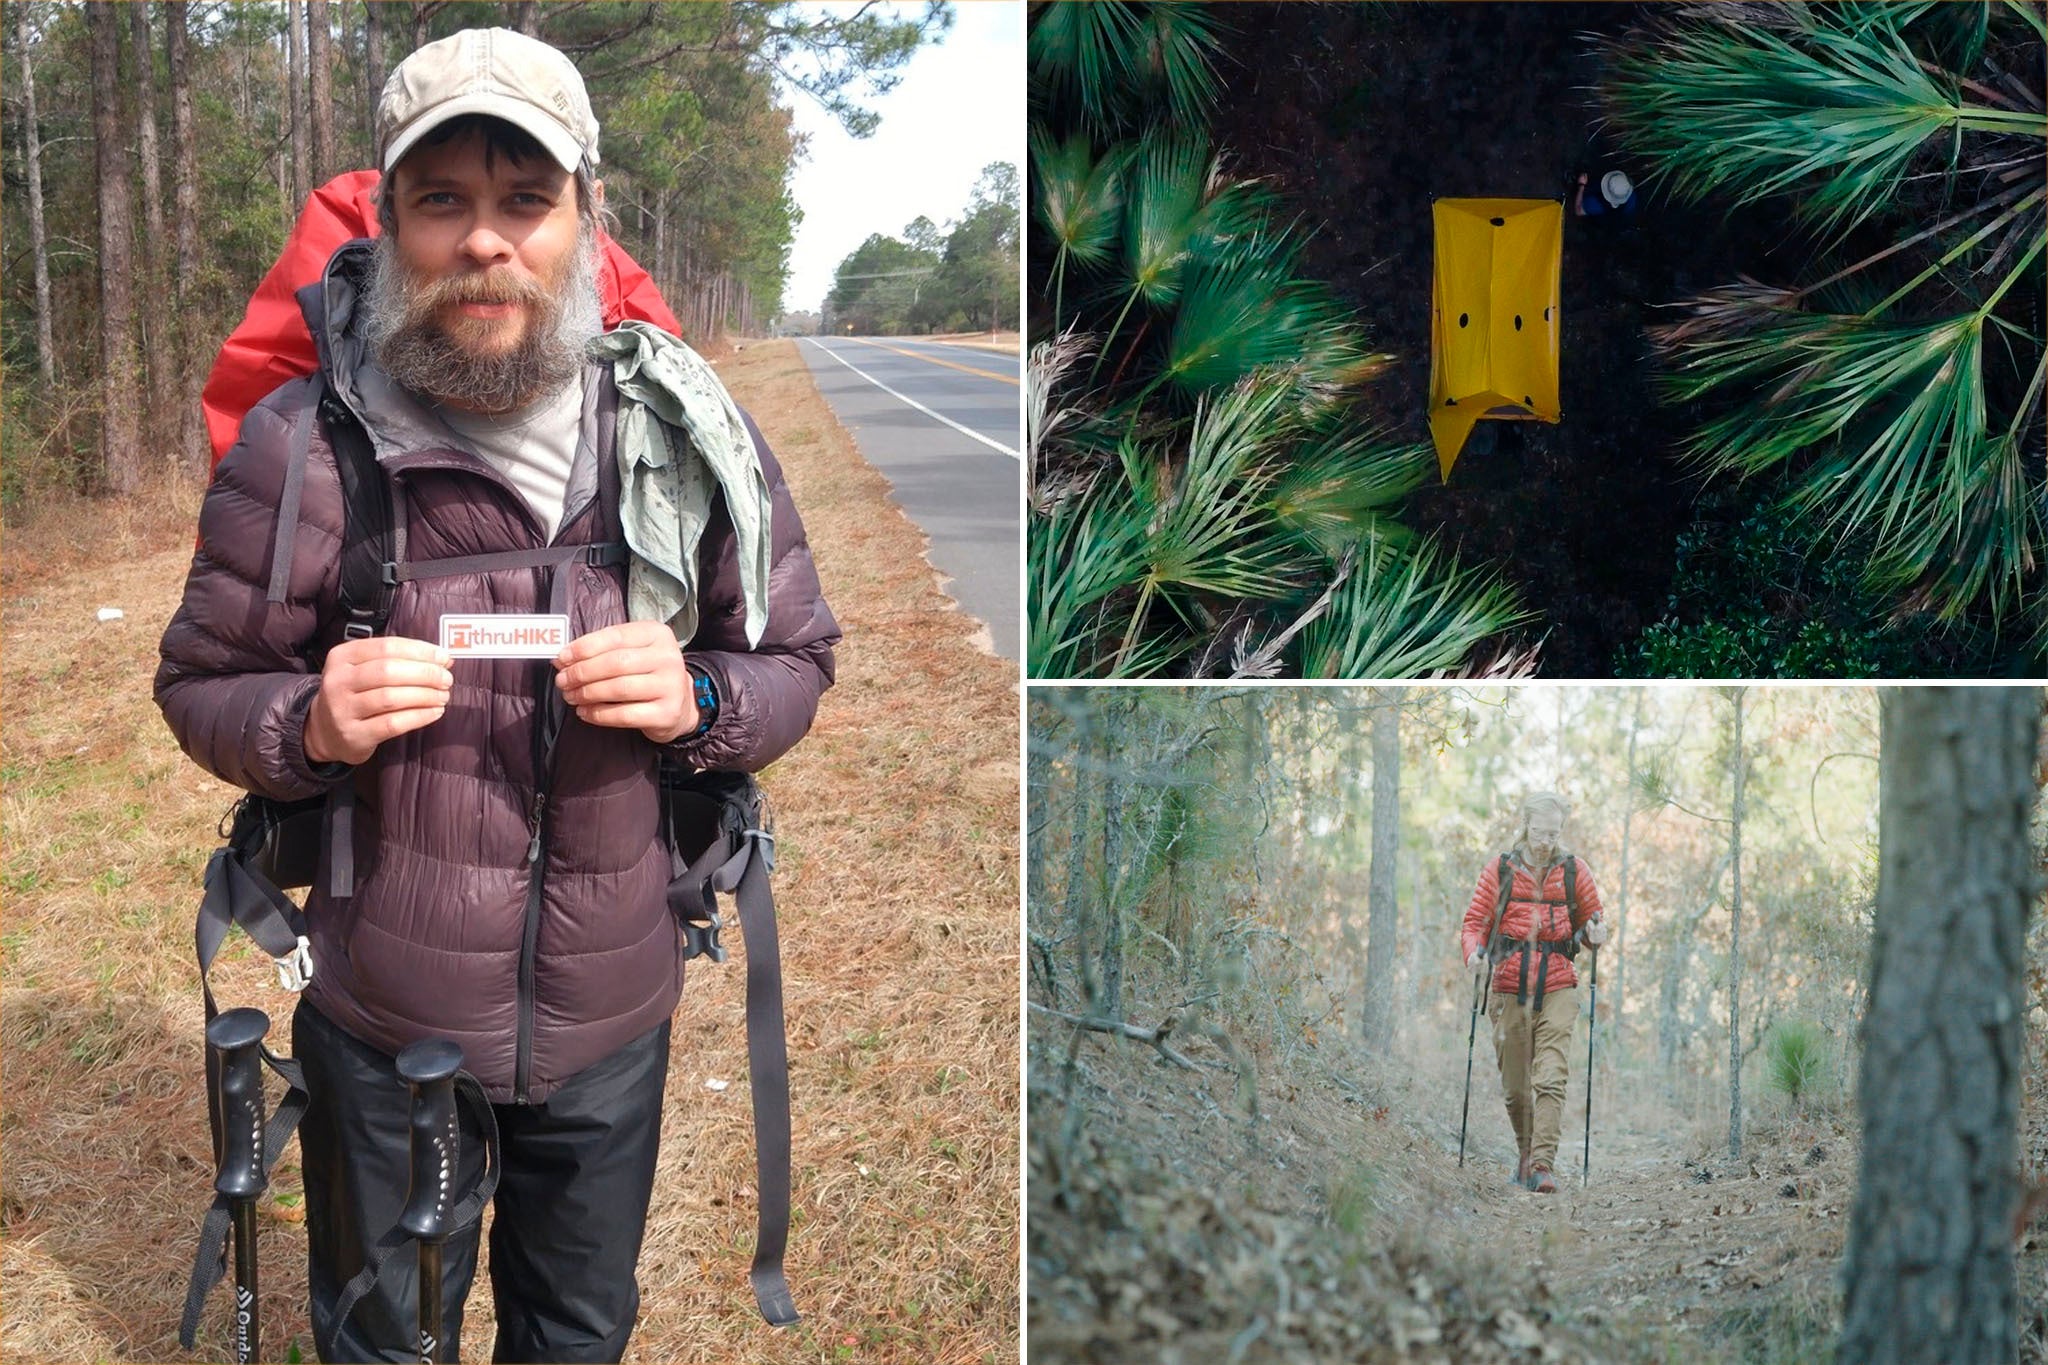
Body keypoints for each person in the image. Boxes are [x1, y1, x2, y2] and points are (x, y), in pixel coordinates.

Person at [156, 26, 838, 1363]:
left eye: (525, 201)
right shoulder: (306, 448)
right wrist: (307, 722)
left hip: (611, 1020)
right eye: (444, 202)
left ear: (585, 218)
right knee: (381, 1340)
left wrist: (698, 691)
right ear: (391, 222)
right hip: (382, 1017)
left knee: (576, 1332)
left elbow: (796, 659)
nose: (485, 243)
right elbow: (201, 685)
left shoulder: (681, 435)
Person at [1459, 792, 1606, 1194]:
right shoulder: (1501, 869)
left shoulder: (1576, 871)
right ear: (1526, 826)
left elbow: (1592, 924)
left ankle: (1542, 1165)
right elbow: (1474, 922)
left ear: (1562, 830)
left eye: (1553, 832)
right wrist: (1474, 955)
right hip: (1508, 985)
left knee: (1551, 1077)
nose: (1545, 840)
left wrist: (1595, 935)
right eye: (1539, 831)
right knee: (1515, 1088)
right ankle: (1525, 1155)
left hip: (1559, 983)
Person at [1574, 169, 1638, 219]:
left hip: (1603, 216)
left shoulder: (1597, 204)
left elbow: (1578, 211)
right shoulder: (1631, 196)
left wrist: (1581, 185)